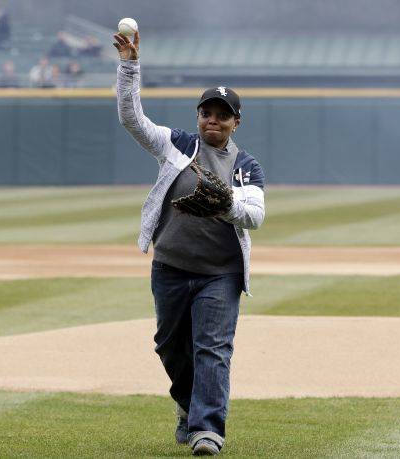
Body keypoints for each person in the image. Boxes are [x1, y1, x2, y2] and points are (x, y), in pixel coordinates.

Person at [114, 31, 265, 456]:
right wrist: (129, 67)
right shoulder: (178, 145)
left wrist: (225, 204)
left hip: (220, 274)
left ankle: (207, 431)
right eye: (206, 112)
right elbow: (132, 118)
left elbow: (255, 215)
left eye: (222, 114)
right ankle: (188, 404)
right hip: (171, 267)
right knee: (168, 345)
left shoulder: (246, 167)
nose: (212, 120)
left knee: (212, 349)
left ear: (236, 122)